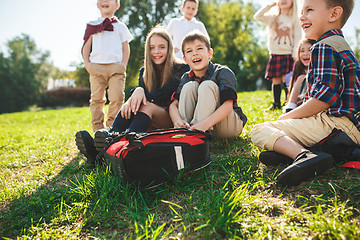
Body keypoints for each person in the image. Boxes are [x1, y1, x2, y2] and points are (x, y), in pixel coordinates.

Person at [251, 0, 360, 186]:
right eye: (302, 11)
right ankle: (326, 151)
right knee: (285, 135)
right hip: (351, 128)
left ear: (334, 14)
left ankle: (303, 155)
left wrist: (285, 119)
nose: (302, 16)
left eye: (309, 10)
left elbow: (323, 99)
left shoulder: (323, 46)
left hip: (335, 125)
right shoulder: (341, 45)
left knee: (260, 130)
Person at [76, 26, 189, 164]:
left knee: (145, 105)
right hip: (147, 120)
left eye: (161, 47)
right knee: (132, 103)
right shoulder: (145, 72)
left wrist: (140, 93)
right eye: (152, 47)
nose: (156, 52)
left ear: (169, 48)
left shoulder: (181, 68)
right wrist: (137, 91)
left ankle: (121, 145)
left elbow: (168, 92)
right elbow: (141, 96)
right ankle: (102, 147)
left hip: (172, 118)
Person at [169, 31, 247, 138]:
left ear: (210, 53)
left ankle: (197, 135)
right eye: (189, 51)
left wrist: (203, 125)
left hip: (226, 126)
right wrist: (177, 121)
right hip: (199, 127)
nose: (195, 53)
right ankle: (184, 131)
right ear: (185, 59)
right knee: (189, 86)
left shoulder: (222, 72)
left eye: (199, 48)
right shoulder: (186, 77)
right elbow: (173, 105)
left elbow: (228, 105)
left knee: (207, 85)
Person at [82, 0, 133, 132]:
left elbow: (125, 47)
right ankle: (98, 129)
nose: (105, 1)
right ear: (98, 4)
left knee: (117, 98)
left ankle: (112, 129)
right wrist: (87, 64)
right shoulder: (92, 25)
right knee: (97, 100)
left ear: (117, 5)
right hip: (96, 67)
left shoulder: (121, 27)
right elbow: (86, 46)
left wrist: (124, 65)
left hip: (116, 68)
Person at [254, 0, 302, 110]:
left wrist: (295, 53)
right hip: (275, 53)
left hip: (288, 53)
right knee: (275, 79)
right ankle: (276, 104)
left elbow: (297, 37)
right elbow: (257, 16)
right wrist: (269, 6)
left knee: (286, 79)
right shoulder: (273, 18)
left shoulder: (294, 19)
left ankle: (288, 103)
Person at [283, 39, 316, 113]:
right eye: (302, 51)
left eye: (309, 50)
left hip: (312, 106)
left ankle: (290, 110)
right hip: (300, 105)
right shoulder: (299, 71)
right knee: (301, 77)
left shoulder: (320, 71)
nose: (305, 53)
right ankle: (290, 108)